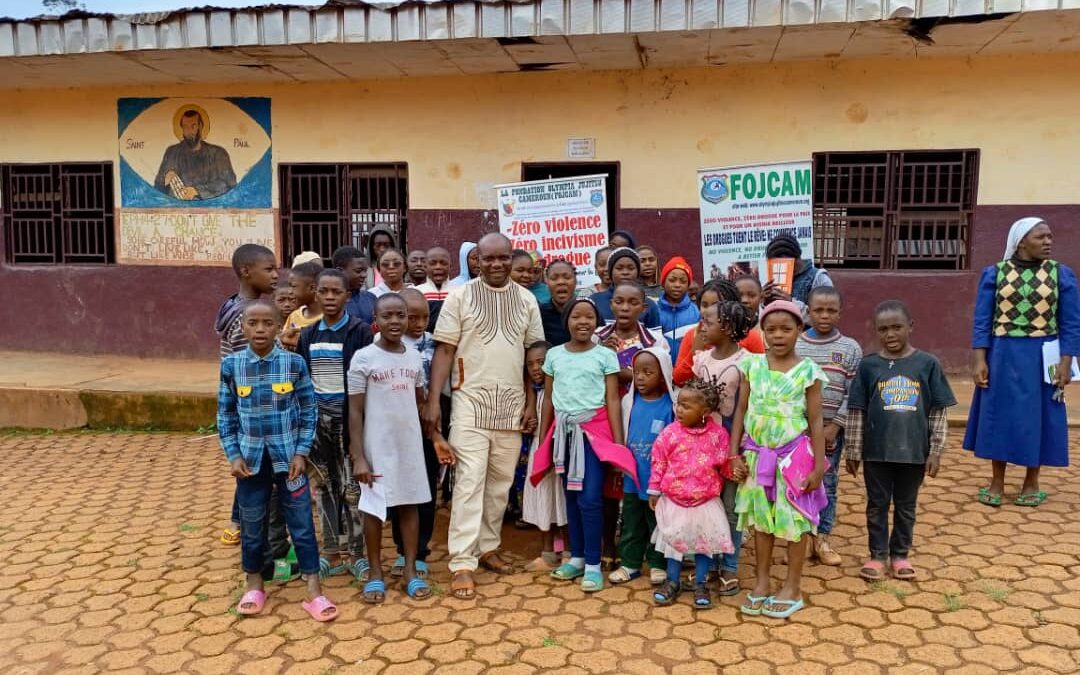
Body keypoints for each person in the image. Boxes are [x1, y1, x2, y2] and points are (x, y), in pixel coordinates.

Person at [424, 233, 544, 599]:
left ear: (512, 259)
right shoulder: (460, 296)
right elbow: (444, 350)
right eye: (487, 258)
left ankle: (487, 547)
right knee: (469, 483)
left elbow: (531, 357)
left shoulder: (526, 300)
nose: (495, 265)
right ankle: (462, 561)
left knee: (499, 485)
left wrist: (528, 403)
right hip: (469, 404)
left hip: (510, 407)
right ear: (476, 260)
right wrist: (433, 401)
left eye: (502, 258)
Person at [217, 300, 337, 622]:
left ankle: (313, 590)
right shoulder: (232, 366)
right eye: (252, 323)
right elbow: (225, 415)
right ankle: (254, 584)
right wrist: (233, 454)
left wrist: (301, 452)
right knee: (253, 526)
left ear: (278, 327)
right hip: (250, 464)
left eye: (267, 324)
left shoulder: (294, 364)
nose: (259, 330)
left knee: (301, 525)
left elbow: (309, 411)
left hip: (290, 462)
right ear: (242, 327)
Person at [965, 218, 1080, 507]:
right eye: (1041, 237)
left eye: (1050, 237)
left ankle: (1032, 481)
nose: (1048, 242)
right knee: (998, 412)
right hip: (1002, 353)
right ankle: (997, 481)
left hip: (1044, 354)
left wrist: (1067, 362)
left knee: (1039, 414)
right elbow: (982, 320)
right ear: (1021, 241)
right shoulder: (995, 274)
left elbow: (1071, 323)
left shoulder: (1061, 275)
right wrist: (980, 358)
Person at [731, 300, 828, 620]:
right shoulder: (751, 366)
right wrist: (733, 454)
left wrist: (818, 466)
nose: (778, 335)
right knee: (761, 521)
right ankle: (761, 582)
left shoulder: (808, 372)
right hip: (757, 457)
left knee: (794, 522)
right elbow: (740, 411)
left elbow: (815, 421)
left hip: (793, 459)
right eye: (770, 329)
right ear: (762, 331)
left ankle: (792, 586)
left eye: (787, 329)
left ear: (800, 329)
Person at [846, 300, 956, 581]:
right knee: (876, 505)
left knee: (906, 506)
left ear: (910, 327)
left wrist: (935, 451)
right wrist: (854, 450)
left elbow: (937, 411)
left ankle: (900, 555)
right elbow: (857, 410)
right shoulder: (869, 366)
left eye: (897, 327)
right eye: (883, 329)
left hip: (914, 453)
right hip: (876, 453)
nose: (890, 334)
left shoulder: (927, 364)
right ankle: (877, 556)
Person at [534, 298, 631, 593]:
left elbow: (613, 399)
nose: (583, 322)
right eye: (576, 316)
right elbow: (549, 399)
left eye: (590, 317)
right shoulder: (554, 356)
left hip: (593, 435)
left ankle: (592, 564)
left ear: (597, 323)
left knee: (590, 498)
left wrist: (617, 443)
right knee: (571, 497)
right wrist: (543, 440)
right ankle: (575, 558)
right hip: (563, 434)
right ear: (567, 322)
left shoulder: (605, 356)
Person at [348, 293, 434, 603]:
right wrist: (358, 456)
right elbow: (355, 411)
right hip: (376, 446)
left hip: (408, 444)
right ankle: (375, 573)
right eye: (388, 316)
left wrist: (434, 437)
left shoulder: (413, 356)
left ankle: (410, 570)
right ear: (376, 320)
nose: (395, 321)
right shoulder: (364, 358)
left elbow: (419, 400)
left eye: (401, 315)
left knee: (409, 506)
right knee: (374, 510)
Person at [296, 270, 374, 578]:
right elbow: (304, 382)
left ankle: (357, 553)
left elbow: (364, 380)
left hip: (348, 422)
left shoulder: (360, 331)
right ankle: (331, 550)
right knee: (325, 487)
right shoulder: (309, 334)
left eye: (336, 292)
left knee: (352, 489)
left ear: (346, 296)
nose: (330, 298)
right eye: (324, 292)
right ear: (315, 293)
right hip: (319, 424)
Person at [648, 379, 742, 609]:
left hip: (705, 501)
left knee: (703, 543)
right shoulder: (670, 434)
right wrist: (654, 489)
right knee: (674, 542)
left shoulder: (718, 435)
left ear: (705, 411)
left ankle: (701, 583)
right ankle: (672, 581)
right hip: (674, 499)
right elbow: (658, 461)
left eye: (687, 406)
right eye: (679, 404)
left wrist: (737, 469)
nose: (679, 410)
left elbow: (723, 464)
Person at [691, 300, 756, 595]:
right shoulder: (701, 360)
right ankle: (708, 564)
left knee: (730, 507)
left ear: (727, 328)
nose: (703, 327)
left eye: (708, 322)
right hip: (702, 444)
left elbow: (742, 410)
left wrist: (733, 453)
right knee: (705, 504)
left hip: (731, 442)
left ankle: (729, 565)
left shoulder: (747, 363)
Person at [215, 243, 278, 545]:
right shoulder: (249, 319)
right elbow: (251, 367)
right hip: (252, 408)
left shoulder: (234, 306)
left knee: (252, 467)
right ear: (245, 271)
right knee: (252, 468)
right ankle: (242, 523)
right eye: (269, 269)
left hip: (247, 406)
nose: (276, 275)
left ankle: (241, 521)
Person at [796, 287, 862, 567]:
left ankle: (822, 538)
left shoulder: (850, 349)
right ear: (808, 312)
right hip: (797, 433)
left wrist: (835, 425)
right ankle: (799, 539)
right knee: (797, 484)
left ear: (840, 313)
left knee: (828, 485)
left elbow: (853, 392)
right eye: (818, 310)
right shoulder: (795, 344)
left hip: (832, 433)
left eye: (831, 310)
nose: (824, 316)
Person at [609, 348, 673, 587]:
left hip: (658, 481)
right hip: (632, 478)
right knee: (631, 521)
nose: (642, 378)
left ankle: (658, 563)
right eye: (637, 373)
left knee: (657, 523)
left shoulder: (671, 406)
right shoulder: (629, 401)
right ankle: (630, 563)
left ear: (663, 374)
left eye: (649, 372)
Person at [390, 288, 440, 580]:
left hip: (427, 428)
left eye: (424, 317)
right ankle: (401, 549)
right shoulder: (386, 345)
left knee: (426, 490)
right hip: (397, 428)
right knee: (400, 491)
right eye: (412, 317)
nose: (419, 323)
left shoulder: (434, 343)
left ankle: (420, 552)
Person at [521, 341, 568, 571]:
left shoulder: (562, 390)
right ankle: (547, 553)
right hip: (539, 453)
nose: (536, 368)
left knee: (563, 500)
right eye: (530, 364)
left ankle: (569, 551)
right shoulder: (535, 393)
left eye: (541, 362)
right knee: (543, 500)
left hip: (559, 453)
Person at [673, 279, 764, 387]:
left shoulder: (750, 337)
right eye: (704, 305)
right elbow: (679, 380)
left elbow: (761, 380)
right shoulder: (692, 335)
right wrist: (694, 352)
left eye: (716, 305)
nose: (708, 311)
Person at [595, 280, 668, 396]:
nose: (625, 308)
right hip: (603, 407)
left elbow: (663, 378)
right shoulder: (596, 337)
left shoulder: (656, 341)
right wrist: (599, 352)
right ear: (611, 305)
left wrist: (620, 371)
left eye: (633, 303)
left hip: (639, 408)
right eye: (618, 302)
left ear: (644, 308)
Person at [154, 109, 236, 200]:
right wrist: (165, 180)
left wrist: (196, 190)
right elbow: (158, 187)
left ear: (200, 127)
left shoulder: (218, 153)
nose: (189, 131)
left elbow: (229, 184)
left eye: (193, 126)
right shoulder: (172, 152)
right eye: (185, 127)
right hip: (178, 208)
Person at [592, 248, 662, 329]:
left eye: (631, 268)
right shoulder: (595, 301)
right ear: (611, 272)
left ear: (638, 272)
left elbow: (655, 339)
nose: (625, 272)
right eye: (619, 268)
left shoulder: (649, 305)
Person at [762, 233, 833, 314]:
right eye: (777, 264)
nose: (782, 268)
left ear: (797, 259)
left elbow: (825, 317)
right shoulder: (777, 277)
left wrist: (791, 303)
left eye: (786, 264)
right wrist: (765, 303)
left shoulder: (819, 279)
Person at [657, 256, 700, 355]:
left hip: (687, 367)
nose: (677, 285)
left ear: (688, 285)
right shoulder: (654, 311)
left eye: (683, 281)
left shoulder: (696, 312)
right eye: (672, 280)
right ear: (663, 283)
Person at [280, 262, 323, 351]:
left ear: (312, 288)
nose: (290, 292)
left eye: (293, 286)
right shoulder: (294, 315)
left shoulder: (328, 319)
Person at [333, 246, 376, 325]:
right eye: (358, 271)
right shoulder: (330, 301)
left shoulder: (371, 298)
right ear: (340, 271)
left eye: (365, 271)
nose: (364, 275)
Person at [539, 259, 577, 346]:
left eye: (567, 277)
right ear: (547, 282)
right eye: (554, 278)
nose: (561, 282)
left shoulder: (588, 310)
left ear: (575, 281)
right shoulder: (539, 314)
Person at [416, 246, 453, 332]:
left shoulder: (459, 291)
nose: (438, 267)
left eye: (443, 263)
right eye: (433, 263)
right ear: (425, 266)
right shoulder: (418, 292)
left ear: (450, 266)